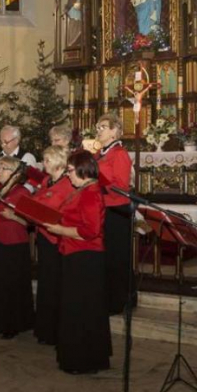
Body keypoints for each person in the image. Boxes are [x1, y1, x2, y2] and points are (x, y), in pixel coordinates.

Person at [44, 151, 110, 374]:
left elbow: (91, 231)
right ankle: (77, 356)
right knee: (76, 307)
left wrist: (60, 229)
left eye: (70, 170)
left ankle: (84, 359)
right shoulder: (80, 189)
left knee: (82, 308)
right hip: (74, 253)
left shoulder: (90, 192)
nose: (67, 174)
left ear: (83, 169)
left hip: (86, 257)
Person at [30, 146, 74, 345]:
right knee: (45, 282)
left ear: (57, 161)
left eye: (46, 160)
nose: (43, 164)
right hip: (43, 235)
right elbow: (36, 200)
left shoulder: (68, 183)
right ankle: (44, 329)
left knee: (56, 283)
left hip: (58, 238)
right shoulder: (46, 181)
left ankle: (56, 330)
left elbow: (66, 208)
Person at [94, 113, 134, 315]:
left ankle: (120, 300)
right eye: (98, 127)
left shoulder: (119, 154)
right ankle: (108, 296)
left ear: (114, 130)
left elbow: (121, 186)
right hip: (102, 209)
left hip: (117, 209)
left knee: (117, 257)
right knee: (106, 256)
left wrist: (97, 180)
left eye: (102, 127)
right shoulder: (99, 153)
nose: (98, 131)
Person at [0, 156, 34, 339]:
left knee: (13, 284)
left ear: (14, 174)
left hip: (15, 243)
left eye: (2, 168)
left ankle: (14, 323)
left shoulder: (22, 192)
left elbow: (30, 221)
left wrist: (13, 216)